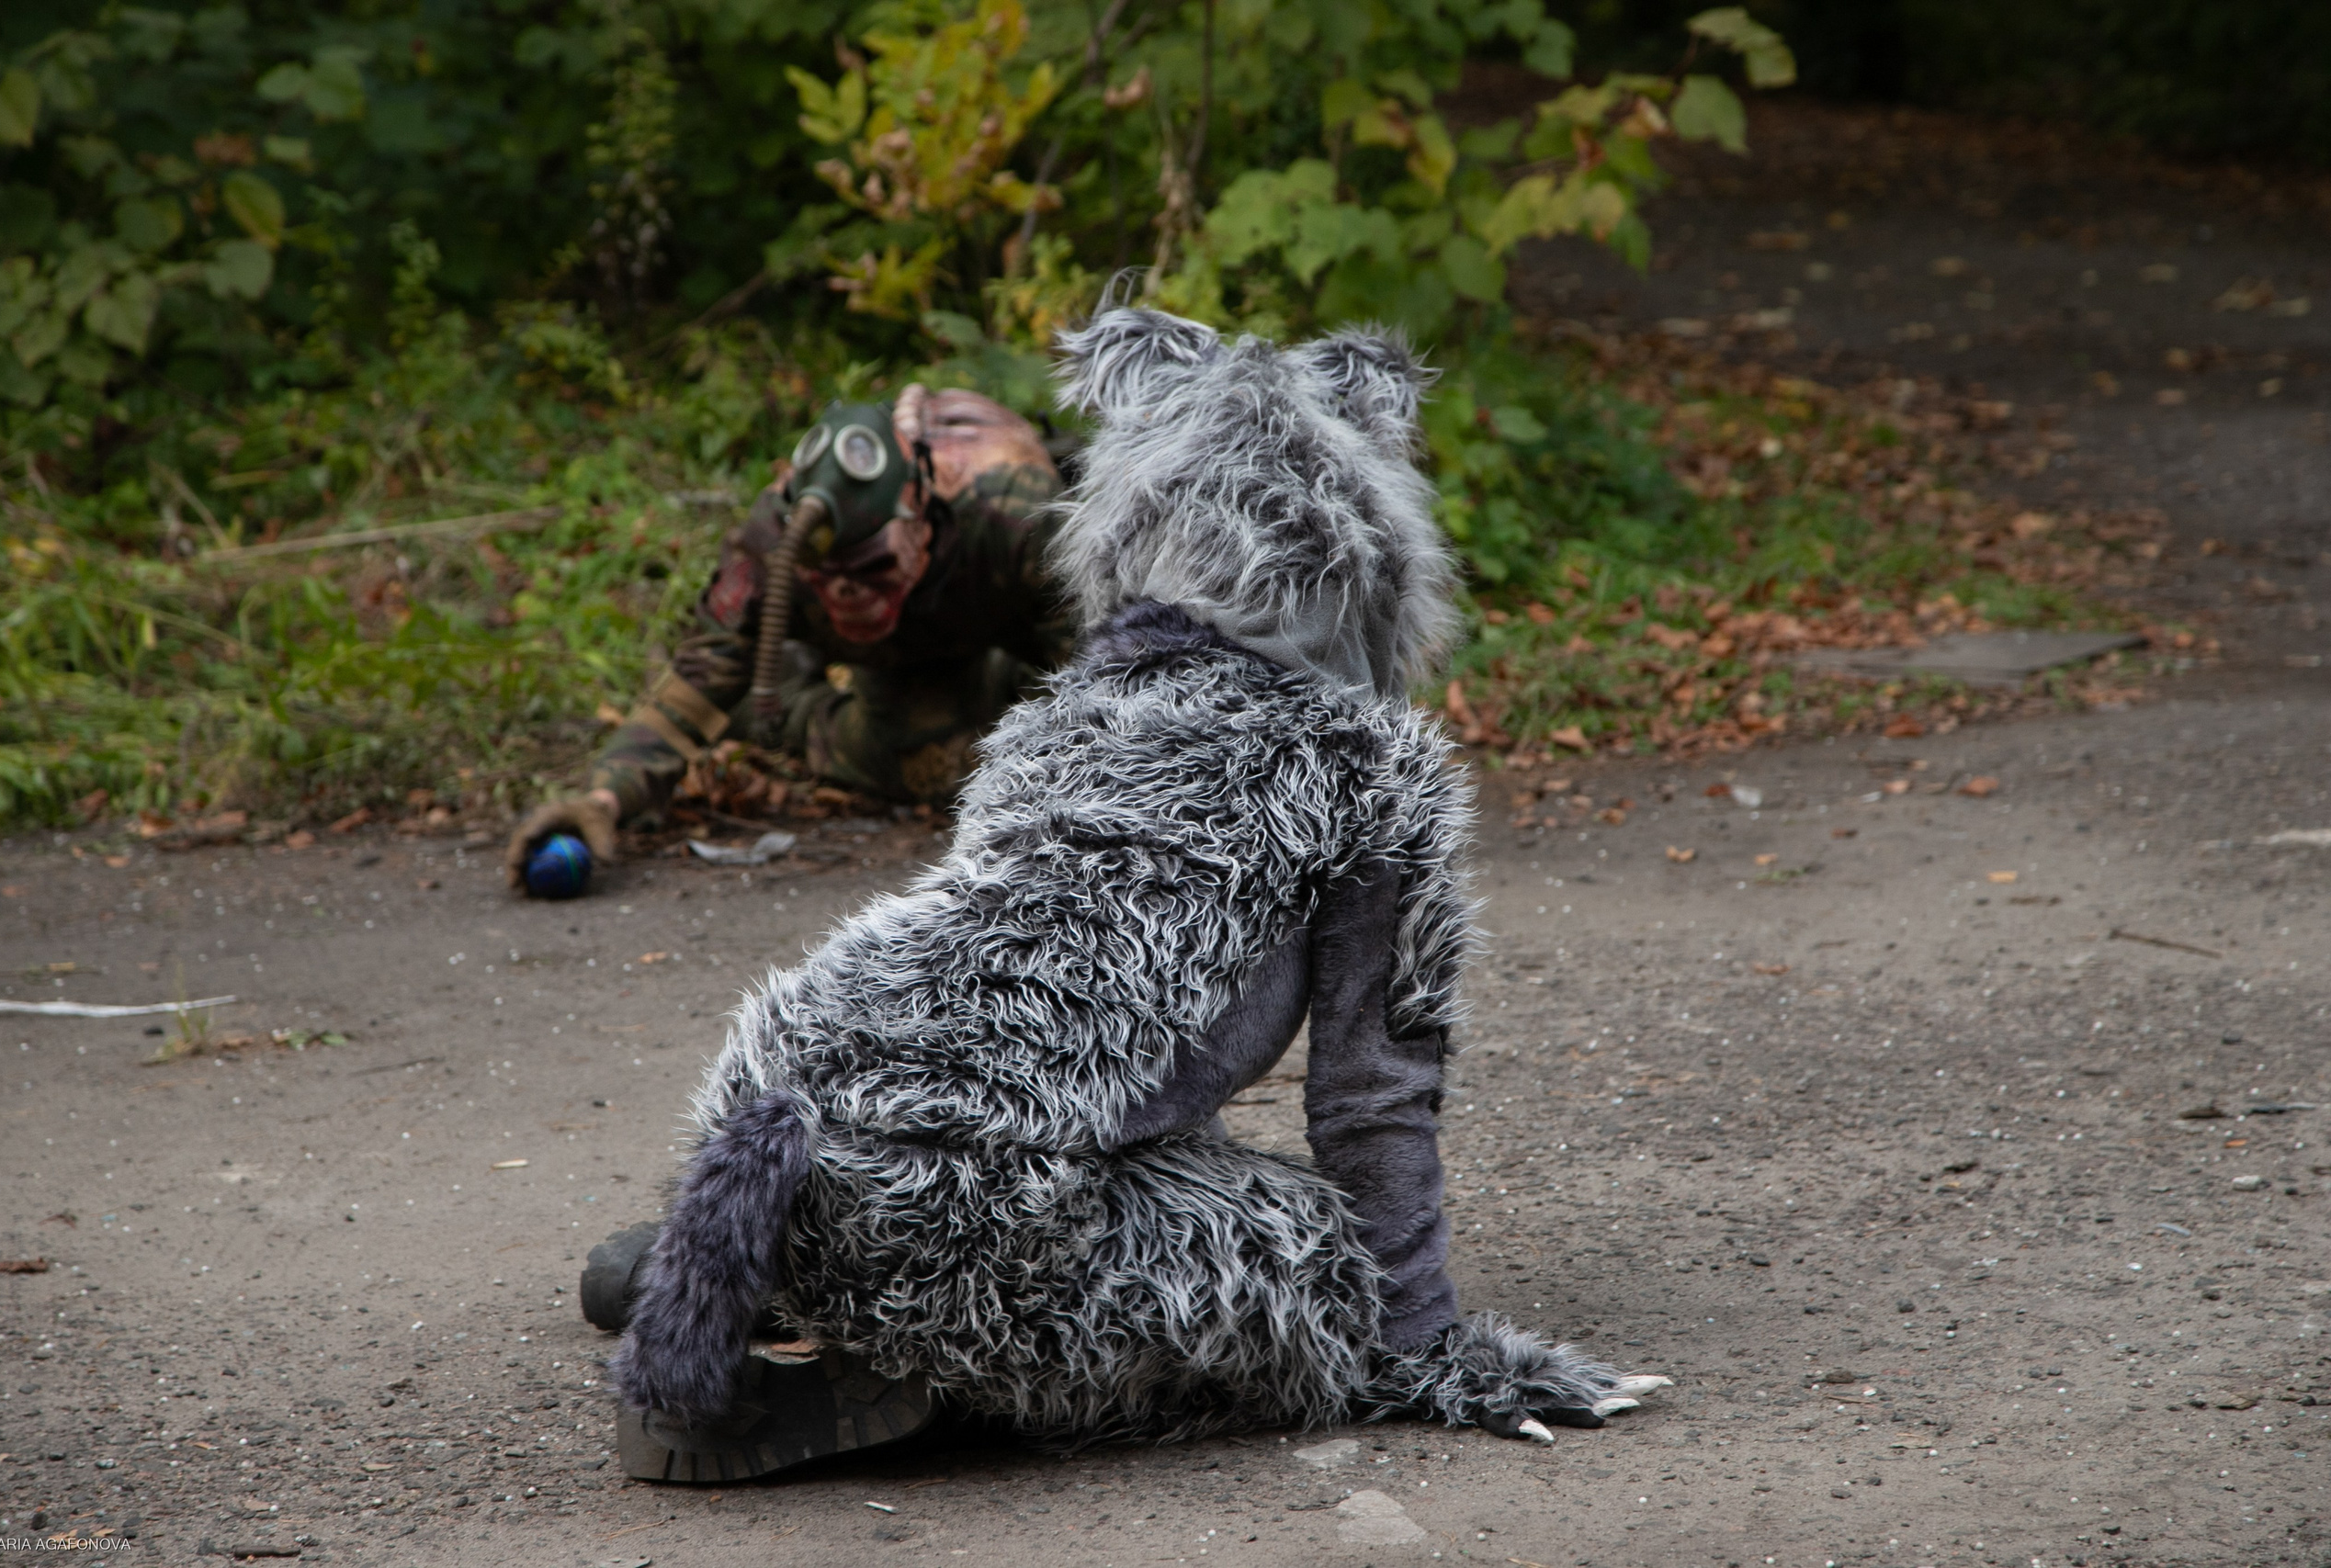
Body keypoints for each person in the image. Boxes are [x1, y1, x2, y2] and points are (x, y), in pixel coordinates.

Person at [594, 308, 1669, 1483]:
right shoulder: (1369, 766)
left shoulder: (1043, 723)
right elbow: (1372, 1098)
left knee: (1060, 1116)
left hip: (767, 1100)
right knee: (1312, 1263)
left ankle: (758, 1264)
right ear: (1365, 547)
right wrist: (1416, 1344)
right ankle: (919, 1389)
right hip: (972, 1208)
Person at [504, 386, 1068, 892]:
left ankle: (998, 687)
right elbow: (700, 681)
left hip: (1012, 624)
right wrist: (604, 799)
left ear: (917, 520)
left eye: (872, 568)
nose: (850, 593)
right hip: (902, 658)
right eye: (828, 575)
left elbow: (1108, 664)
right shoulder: (770, 542)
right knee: (934, 766)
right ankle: (782, 692)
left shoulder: (1016, 515)